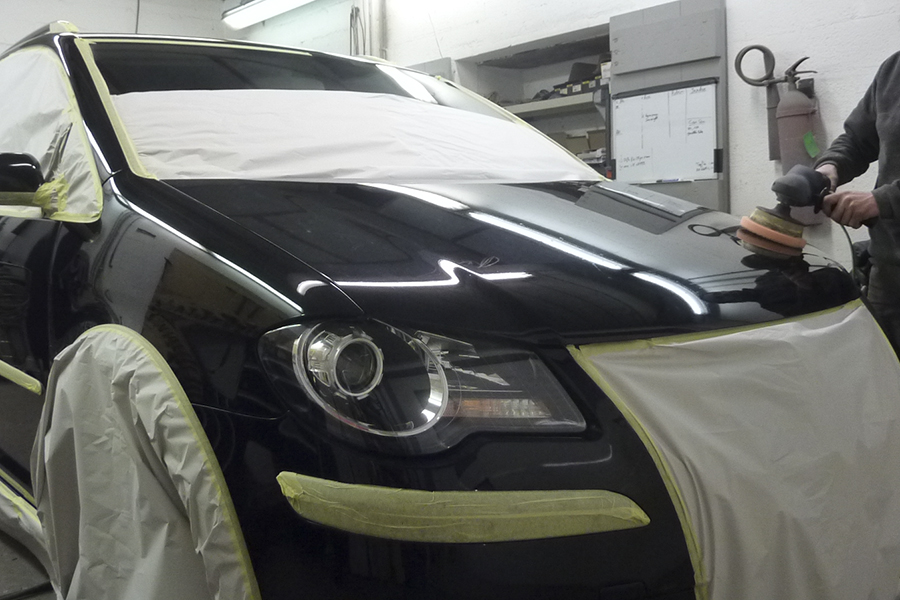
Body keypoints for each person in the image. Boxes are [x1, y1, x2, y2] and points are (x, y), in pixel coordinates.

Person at [815, 50, 900, 350]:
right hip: (889, 276)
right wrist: (829, 168)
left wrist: (885, 200)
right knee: (882, 372)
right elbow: (857, 139)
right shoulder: (893, 70)